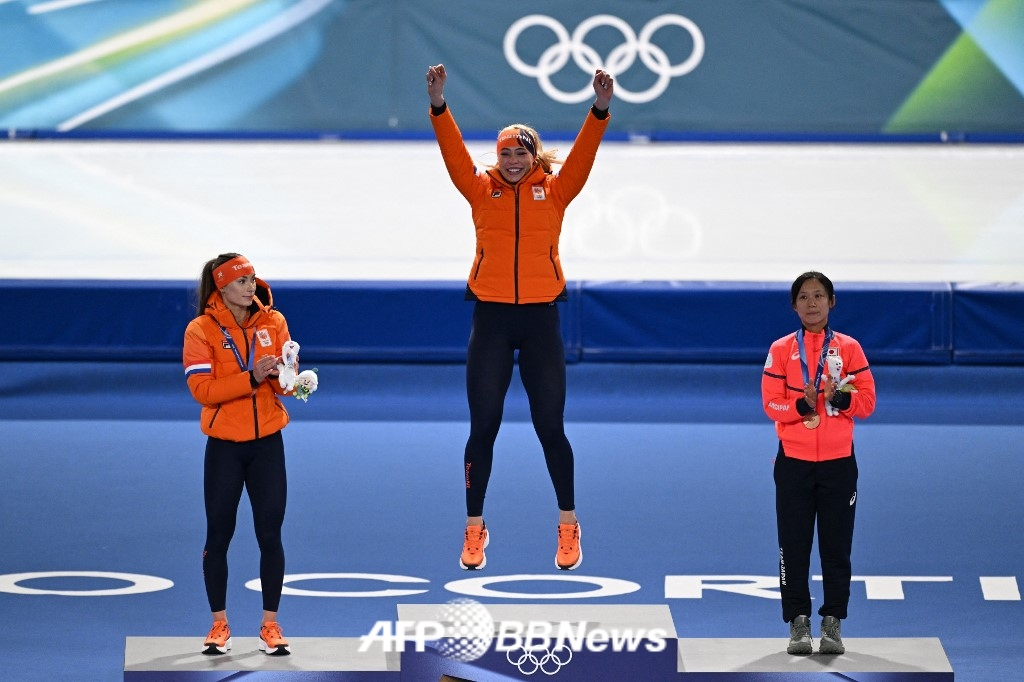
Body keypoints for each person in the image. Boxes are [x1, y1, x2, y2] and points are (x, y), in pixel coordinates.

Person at [425, 63, 614, 571]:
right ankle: (473, 530)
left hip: (540, 323)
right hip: (490, 319)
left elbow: (584, 157)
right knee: (482, 427)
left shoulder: (555, 191)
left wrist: (598, 110)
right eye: (505, 152)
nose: (511, 161)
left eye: (520, 153)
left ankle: (569, 526)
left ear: (534, 157)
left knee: (549, 427)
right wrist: (439, 105)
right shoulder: (478, 188)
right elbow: (452, 154)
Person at [182, 253, 295, 656]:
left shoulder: (274, 322)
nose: (252, 286)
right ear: (222, 287)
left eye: (252, 279)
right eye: (243, 281)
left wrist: (292, 379)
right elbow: (203, 391)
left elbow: (283, 385)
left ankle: (270, 625)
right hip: (225, 450)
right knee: (219, 535)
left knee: (270, 535)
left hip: (267, 446)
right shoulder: (200, 330)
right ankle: (218, 625)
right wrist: (251, 376)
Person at [761, 271, 877, 655]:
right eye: (804, 297)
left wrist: (840, 400)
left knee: (836, 546)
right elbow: (770, 403)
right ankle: (798, 623)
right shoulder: (780, 349)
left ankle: (832, 622)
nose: (812, 303)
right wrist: (802, 405)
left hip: (838, 464)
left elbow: (868, 401)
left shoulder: (849, 349)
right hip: (793, 462)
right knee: (792, 545)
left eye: (819, 296)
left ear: (832, 302)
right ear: (794, 305)